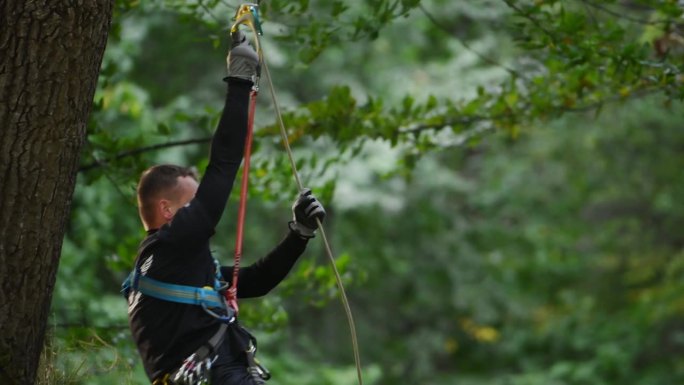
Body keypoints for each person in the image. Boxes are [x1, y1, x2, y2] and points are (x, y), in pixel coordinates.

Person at [123, 31, 326, 385]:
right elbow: (225, 162)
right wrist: (239, 80)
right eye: (192, 203)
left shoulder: (172, 266)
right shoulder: (173, 245)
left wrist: (299, 233)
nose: (204, 209)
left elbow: (256, 281)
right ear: (166, 210)